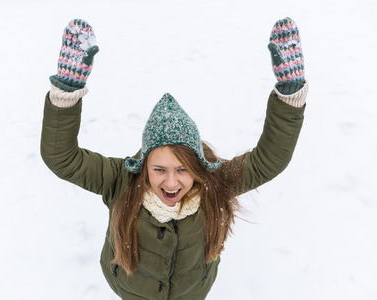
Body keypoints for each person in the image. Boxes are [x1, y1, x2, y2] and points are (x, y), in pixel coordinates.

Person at [41, 17, 308, 300]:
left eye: (182, 169)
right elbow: (62, 157)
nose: (171, 182)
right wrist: (67, 94)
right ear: (144, 166)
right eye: (159, 169)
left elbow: (269, 160)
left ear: (196, 166)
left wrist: (288, 96)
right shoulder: (121, 180)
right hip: (131, 291)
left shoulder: (213, 182)